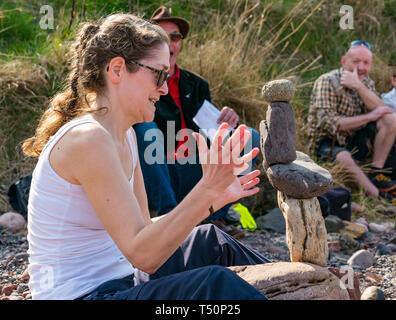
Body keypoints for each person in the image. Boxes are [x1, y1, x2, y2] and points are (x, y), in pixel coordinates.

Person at [22, 13, 270, 300]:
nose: (164, 88)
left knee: (210, 240)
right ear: (117, 70)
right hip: (85, 295)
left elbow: (142, 229)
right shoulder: (88, 139)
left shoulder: (125, 135)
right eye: (159, 74)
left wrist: (214, 200)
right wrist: (206, 189)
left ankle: (302, 285)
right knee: (214, 285)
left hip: (122, 281)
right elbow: (145, 255)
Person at [133, 6, 260, 237]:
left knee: (249, 134)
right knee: (143, 127)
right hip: (158, 169)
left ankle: (218, 215)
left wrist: (225, 120)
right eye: (162, 37)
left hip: (194, 167)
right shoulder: (141, 79)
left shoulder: (197, 83)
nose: (170, 44)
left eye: (176, 37)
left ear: (181, 42)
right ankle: (168, 215)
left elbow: (210, 131)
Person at [307, 40, 396, 204]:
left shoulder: (367, 82)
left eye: (366, 63)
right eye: (356, 61)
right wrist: (370, 116)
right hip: (327, 142)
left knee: (391, 119)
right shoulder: (327, 81)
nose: (361, 67)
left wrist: (360, 87)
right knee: (344, 157)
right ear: (343, 61)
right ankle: (378, 197)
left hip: (354, 138)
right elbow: (333, 125)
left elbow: (385, 111)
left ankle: (377, 174)